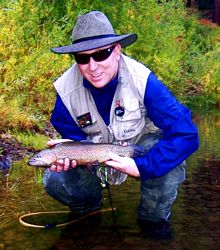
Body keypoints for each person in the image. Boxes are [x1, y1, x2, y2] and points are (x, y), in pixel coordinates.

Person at [43, 10, 199, 238]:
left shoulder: (143, 81)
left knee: (169, 161)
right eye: (82, 58)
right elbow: (74, 140)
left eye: (101, 54)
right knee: (55, 178)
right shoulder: (65, 92)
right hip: (94, 159)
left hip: (140, 151)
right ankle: (88, 209)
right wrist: (67, 153)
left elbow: (186, 135)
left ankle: (152, 221)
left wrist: (142, 167)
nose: (92, 67)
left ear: (117, 51)